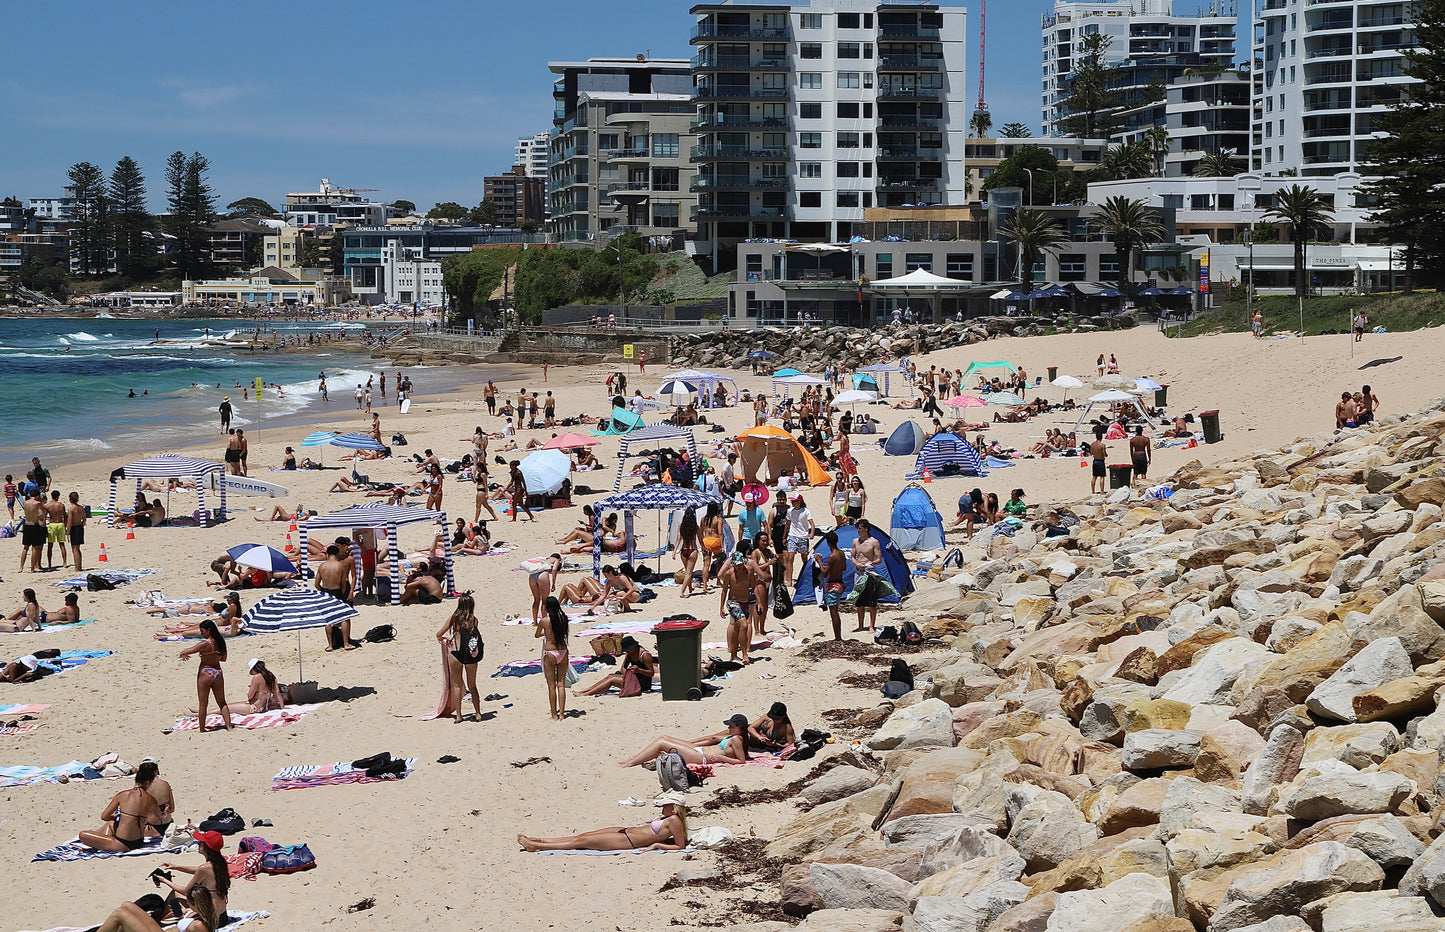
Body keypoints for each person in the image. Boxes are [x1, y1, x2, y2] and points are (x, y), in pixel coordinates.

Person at [518, 792, 689, 852]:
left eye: (666, 805)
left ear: (674, 808)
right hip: (626, 831)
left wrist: (656, 846)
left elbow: (679, 846)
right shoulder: (669, 818)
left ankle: (537, 846)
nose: (662, 807)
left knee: (581, 842)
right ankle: (541, 840)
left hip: (629, 841)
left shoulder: (674, 820)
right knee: (582, 836)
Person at [78, 763, 165, 852]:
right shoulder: (151, 799)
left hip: (122, 844)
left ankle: (100, 843)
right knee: (111, 825)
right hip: (138, 842)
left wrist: (116, 816)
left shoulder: (122, 795)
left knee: (83, 834)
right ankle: (102, 841)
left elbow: (104, 817)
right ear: (147, 782)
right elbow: (158, 819)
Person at [157, 831, 231, 927]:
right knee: (185, 902)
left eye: (201, 842)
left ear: (206, 848)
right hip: (222, 917)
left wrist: (164, 880)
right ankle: (165, 917)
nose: (198, 843)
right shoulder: (220, 863)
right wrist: (176, 867)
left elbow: (185, 891)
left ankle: (158, 920)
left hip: (211, 921)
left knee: (175, 894)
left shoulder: (204, 869)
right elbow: (198, 870)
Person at [618, 716, 751, 768]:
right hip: (699, 751)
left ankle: (630, 763)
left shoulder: (736, 739)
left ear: (739, 727)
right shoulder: (733, 736)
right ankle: (633, 760)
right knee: (664, 737)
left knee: (661, 743)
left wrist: (721, 758)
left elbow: (741, 761)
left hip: (703, 757)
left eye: (731, 726)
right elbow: (713, 738)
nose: (729, 728)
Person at [436, 594, 484, 724]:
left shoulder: (454, 618)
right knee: (472, 685)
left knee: (457, 685)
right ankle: (478, 713)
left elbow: (439, 634)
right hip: (470, 654)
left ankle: (458, 715)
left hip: (456, 653)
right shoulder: (474, 620)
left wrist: (442, 639)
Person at [179, 620, 232, 732]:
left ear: (209, 630)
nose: (201, 633)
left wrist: (184, 655)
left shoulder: (204, 644)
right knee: (222, 702)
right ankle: (229, 727)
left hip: (205, 672)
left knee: (203, 704)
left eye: (202, 631)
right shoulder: (221, 642)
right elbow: (224, 659)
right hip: (217, 672)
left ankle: (202, 729)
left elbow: (186, 651)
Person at [849, 519, 894, 634]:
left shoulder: (874, 542)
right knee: (859, 600)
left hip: (869, 572)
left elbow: (878, 559)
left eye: (860, 528)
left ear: (866, 528)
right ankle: (860, 625)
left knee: (872, 601)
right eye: (857, 528)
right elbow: (853, 557)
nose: (858, 530)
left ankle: (871, 626)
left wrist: (870, 563)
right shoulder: (855, 541)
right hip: (859, 572)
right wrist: (857, 563)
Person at [575, 636, 654, 696]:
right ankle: (586, 691)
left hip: (642, 684)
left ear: (634, 647)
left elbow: (651, 673)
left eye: (628, 650)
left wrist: (639, 670)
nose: (627, 652)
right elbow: (623, 667)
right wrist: (627, 674)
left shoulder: (645, 655)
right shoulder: (630, 653)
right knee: (610, 676)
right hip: (633, 678)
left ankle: (585, 694)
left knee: (611, 679)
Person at [535, 595, 569, 721]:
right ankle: (562, 714)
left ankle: (554, 714)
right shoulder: (564, 619)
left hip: (550, 652)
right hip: (563, 651)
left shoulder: (545, 621)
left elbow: (537, 635)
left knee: (551, 685)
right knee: (561, 684)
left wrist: (546, 633)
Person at [720, 546, 755, 664]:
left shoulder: (749, 570)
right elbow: (724, 590)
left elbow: (754, 586)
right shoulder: (729, 574)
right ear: (733, 564)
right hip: (733, 602)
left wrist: (759, 602)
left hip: (745, 601)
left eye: (741, 564)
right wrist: (721, 607)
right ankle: (745, 655)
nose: (739, 567)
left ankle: (734, 655)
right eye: (737, 565)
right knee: (744, 625)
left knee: (736, 629)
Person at [221, 659, 285, 716]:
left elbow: (250, 696)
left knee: (224, 708)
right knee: (229, 706)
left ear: (254, 669)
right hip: (264, 707)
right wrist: (282, 707)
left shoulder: (257, 677)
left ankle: (210, 713)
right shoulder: (271, 676)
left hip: (254, 707)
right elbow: (277, 692)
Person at [814, 530, 846, 640]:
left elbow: (824, 573)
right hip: (840, 583)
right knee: (835, 611)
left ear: (828, 542)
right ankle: (838, 637)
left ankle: (838, 637)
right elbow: (844, 568)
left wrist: (820, 561)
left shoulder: (832, 556)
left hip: (833, 585)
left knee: (834, 613)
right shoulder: (841, 553)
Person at [782, 493, 814, 587]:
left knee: (804, 558)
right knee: (790, 558)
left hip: (803, 537)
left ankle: (806, 577)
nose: (792, 502)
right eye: (792, 501)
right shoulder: (790, 511)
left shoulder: (806, 511)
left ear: (799, 501)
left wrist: (811, 533)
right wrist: (784, 536)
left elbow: (812, 523)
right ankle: (789, 580)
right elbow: (787, 524)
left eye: (794, 501)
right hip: (792, 536)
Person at [529, 553, 562, 623]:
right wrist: (553, 584)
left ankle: (535, 621)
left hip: (532, 576)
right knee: (544, 601)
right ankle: (544, 621)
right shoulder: (557, 560)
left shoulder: (544, 559)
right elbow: (554, 570)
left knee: (536, 600)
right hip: (542, 575)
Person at [677, 509, 702, 599]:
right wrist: (703, 548)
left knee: (687, 571)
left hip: (683, 551)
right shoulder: (695, 527)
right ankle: (682, 592)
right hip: (692, 550)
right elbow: (700, 539)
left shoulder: (681, 527)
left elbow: (678, 540)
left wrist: (674, 551)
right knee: (688, 573)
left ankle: (690, 588)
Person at [67, 490, 86, 571]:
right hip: (80, 527)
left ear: (70, 499)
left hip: (74, 528)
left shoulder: (71, 509)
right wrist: (82, 525)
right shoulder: (81, 508)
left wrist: (68, 532)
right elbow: (84, 519)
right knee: (78, 548)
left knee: (74, 548)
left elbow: (70, 521)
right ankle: (79, 566)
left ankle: (77, 567)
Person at [1089, 428, 1108, 495]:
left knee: (1094, 476)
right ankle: (1102, 491)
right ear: (1101, 437)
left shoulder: (1092, 444)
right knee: (1102, 477)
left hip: (1095, 461)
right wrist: (1106, 455)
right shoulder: (1102, 445)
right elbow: (1104, 454)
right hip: (1101, 461)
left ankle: (1093, 491)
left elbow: (1091, 453)